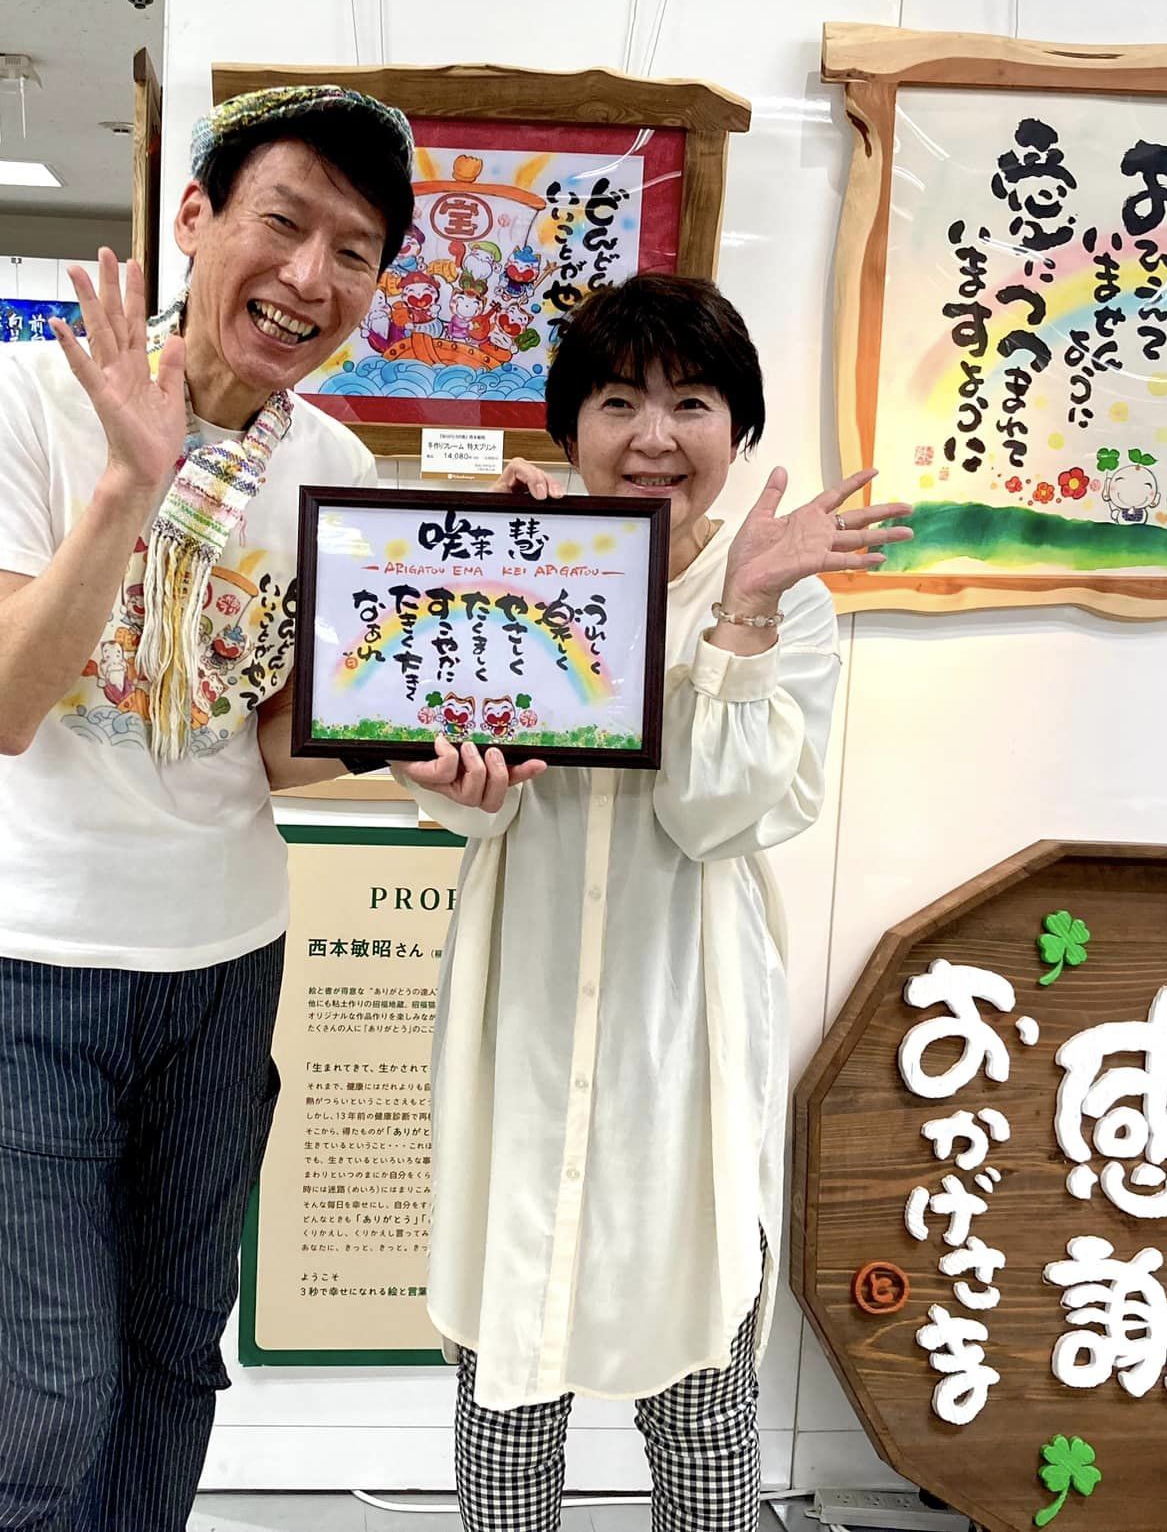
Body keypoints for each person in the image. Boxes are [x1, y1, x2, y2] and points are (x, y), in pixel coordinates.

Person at [0, 85, 413, 1530]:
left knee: (174, 1357)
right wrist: (132, 482)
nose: (309, 276)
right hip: (27, 963)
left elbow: (273, 750)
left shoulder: (333, 471)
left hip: (224, 964)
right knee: (53, 1386)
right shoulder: (30, 395)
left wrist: (431, 721)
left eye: (354, 251)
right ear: (195, 218)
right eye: (283, 223)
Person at [394, 274, 911, 1530]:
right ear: (568, 425)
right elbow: (469, 805)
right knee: (507, 1370)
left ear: (737, 429)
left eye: (691, 403)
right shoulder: (510, 561)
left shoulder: (781, 593)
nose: (653, 436)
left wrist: (739, 615)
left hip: (683, 1016)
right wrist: (447, 769)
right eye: (618, 401)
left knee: (700, 1383)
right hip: (523, 1003)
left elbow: (715, 815)